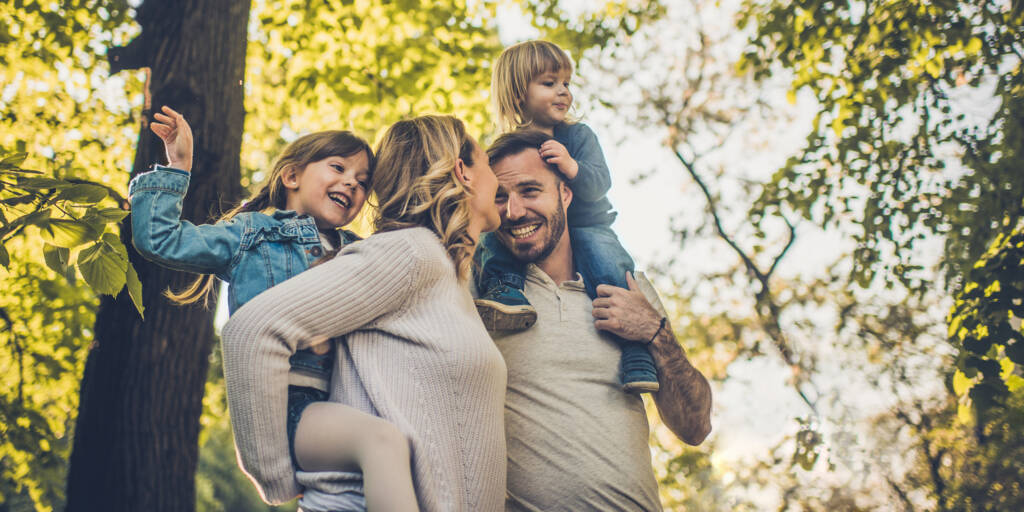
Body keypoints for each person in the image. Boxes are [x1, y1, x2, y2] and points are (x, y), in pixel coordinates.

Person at [129, 107, 420, 511]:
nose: (351, 183)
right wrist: (178, 166)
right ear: (292, 175)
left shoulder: (360, 250)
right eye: (338, 167)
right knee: (383, 441)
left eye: (363, 183)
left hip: (349, 399)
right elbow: (160, 239)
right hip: (292, 406)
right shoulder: (253, 234)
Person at [220, 115, 508, 512]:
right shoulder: (410, 253)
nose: (500, 183)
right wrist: (275, 475)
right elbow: (252, 331)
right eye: (490, 166)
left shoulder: (451, 274)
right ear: (463, 172)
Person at [484, 130, 713, 511]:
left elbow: (695, 426)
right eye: (501, 198)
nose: (514, 211)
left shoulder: (627, 287)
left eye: (530, 191)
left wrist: (655, 332)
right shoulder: (484, 294)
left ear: (566, 194)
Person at [475, 39, 660, 394]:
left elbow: (600, 183)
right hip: (534, 232)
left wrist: (572, 167)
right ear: (517, 95)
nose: (563, 92)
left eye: (566, 84)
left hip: (587, 225)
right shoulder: (506, 149)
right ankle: (505, 290)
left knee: (608, 266)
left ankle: (636, 352)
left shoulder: (578, 136)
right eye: (549, 83)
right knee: (491, 237)